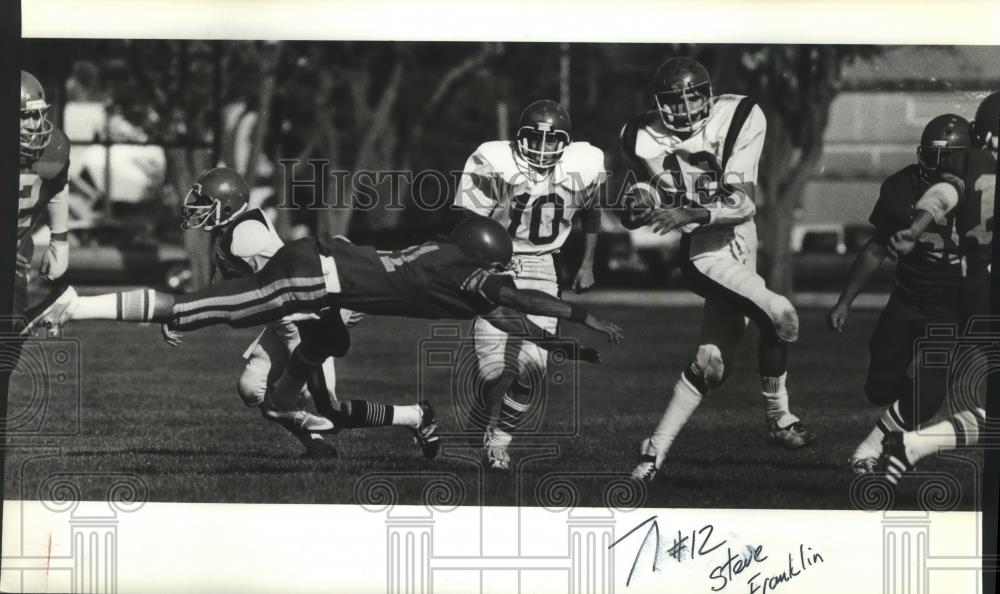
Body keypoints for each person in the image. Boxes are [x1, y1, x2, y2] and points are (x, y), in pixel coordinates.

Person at [24, 216, 624, 434]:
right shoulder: (470, 276)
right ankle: (78, 305)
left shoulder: (449, 266)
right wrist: (583, 314)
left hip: (327, 276)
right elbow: (521, 297)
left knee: (327, 336)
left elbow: (513, 316)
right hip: (319, 276)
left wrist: (566, 348)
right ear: (483, 258)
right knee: (206, 311)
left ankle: (288, 404)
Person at [618, 57, 813, 483]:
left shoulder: (741, 115)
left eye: (693, 97)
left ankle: (653, 452)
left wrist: (687, 208)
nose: (685, 109)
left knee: (711, 366)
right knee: (780, 314)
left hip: (741, 240)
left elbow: (742, 203)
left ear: (709, 95)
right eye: (674, 101)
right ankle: (779, 419)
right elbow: (643, 193)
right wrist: (636, 204)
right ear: (659, 104)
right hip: (703, 254)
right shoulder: (639, 134)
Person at [167, 167, 439, 458]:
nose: (196, 209)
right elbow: (222, 294)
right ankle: (316, 445)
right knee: (251, 388)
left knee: (331, 411)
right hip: (282, 320)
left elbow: (300, 278)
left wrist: (344, 305)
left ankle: (415, 416)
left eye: (205, 202)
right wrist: (183, 315)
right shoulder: (232, 235)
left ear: (227, 205)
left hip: (307, 321)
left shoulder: (246, 235)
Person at [450, 99, 606, 471]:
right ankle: (484, 401)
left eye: (553, 141)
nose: (542, 148)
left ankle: (499, 443)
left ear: (565, 144)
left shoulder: (580, 169)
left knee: (533, 370)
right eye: (534, 139)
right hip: (496, 265)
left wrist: (587, 263)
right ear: (518, 139)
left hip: (543, 268)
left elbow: (591, 213)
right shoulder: (495, 164)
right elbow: (468, 222)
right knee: (492, 374)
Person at [827, 115, 970, 474]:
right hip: (907, 297)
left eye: (943, 158)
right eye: (929, 156)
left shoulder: (981, 188)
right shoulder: (901, 186)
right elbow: (876, 249)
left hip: (950, 306)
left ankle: (875, 444)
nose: (932, 166)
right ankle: (901, 400)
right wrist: (846, 301)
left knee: (929, 394)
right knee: (878, 389)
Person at [875, 91, 997, 484]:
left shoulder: (970, 165)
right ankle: (909, 446)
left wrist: (915, 228)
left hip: (976, 289)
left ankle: (910, 447)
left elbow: (943, 196)